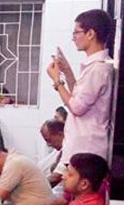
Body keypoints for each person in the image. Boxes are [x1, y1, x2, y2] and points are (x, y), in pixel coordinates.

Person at [47, 9, 114, 173]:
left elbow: (77, 107)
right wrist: (67, 71)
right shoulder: (96, 66)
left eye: (76, 32)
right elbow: (79, 95)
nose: (73, 38)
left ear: (90, 33)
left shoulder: (98, 69)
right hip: (84, 145)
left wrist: (57, 81)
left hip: (87, 147)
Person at [37, 120, 64, 189]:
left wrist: (33, 187)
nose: (49, 144)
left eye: (49, 140)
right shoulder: (62, 150)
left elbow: (56, 177)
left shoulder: (71, 148)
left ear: (60, 134)